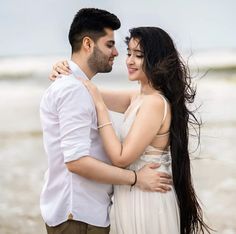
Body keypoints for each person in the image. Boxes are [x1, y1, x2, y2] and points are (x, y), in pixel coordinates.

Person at [51, 27, 212, 234]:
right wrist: (65, 69)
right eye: (128, 53)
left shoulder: (154, 103)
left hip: (148, 199)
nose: (129, 61)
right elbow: (86, 90)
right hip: (134, 193)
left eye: (138, 56)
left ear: (157, 60)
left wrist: (100, 108)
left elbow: (121, 158)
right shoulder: (137, 98)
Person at [40, 9, 172, 234]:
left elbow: (95, 96)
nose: (121, 55)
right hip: (82, 212)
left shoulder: (150, 101)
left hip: (135, 198)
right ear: (88, 44)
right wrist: (65, 72)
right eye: (110, 45)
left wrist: (72, 77)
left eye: (137, 55)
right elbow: (77, 161)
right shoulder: (77, 90)